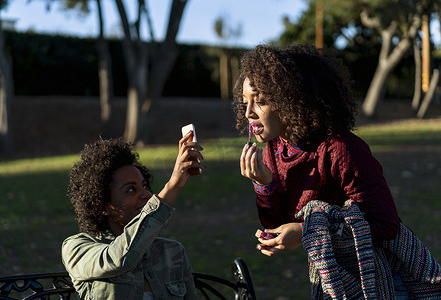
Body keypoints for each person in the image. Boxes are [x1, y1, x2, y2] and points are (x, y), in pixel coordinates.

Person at [234, 43, 441, 298]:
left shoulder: (341, 149)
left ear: (291, 100)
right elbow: (280, 223)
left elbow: (385, 224)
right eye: (245, 102)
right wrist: (264, 183)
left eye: (261, 101)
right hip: (334, 280)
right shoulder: (276, 150)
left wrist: (306, 231)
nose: (248, 113)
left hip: (382, 281)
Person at [62, 133, 204, 300]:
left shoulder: (172, 252)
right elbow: (120, 258)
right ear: (103, 206)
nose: (146, 195)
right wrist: (172, 186)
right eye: (131, 189)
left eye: (144, 186)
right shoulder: (77, 248)